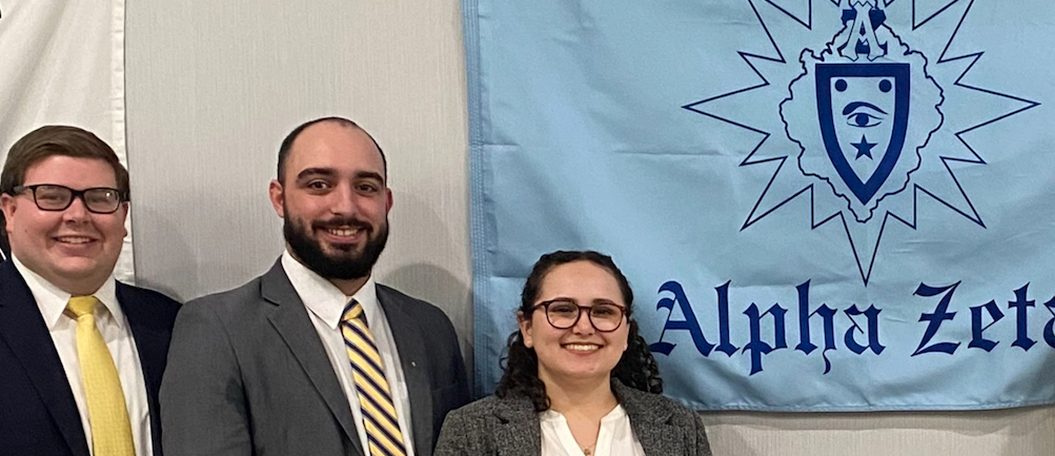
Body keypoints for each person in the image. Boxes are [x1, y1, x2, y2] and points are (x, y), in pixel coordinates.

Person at [160, 116, 469, 456]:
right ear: (279, 199)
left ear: (387, 202)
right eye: (319, 185)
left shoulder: (431, 328)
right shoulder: (217, 330)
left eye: (366, 187)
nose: (345, 206)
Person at [0, 125, 180, 456]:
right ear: (9, 211)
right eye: (52, 196)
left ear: (123, 216)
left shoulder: (173, 324)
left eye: (100, 198)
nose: (78, 215)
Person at [435, 251, 711, 456]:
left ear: (626, 331)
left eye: (603, 311)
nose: (584, 327)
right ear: (527, 327)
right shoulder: (471, 430)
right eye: (563, 309)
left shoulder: (681, 426)